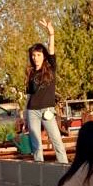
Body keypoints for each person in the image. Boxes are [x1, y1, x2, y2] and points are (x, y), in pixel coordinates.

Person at [25, 19, 68, 164]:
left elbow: (51, 50)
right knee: (36, 145)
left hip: (47, 111)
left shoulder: (50, 68)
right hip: (32, 111)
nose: (35, 58)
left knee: (57, 142)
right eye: (33, 55)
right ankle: (39, 170)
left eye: (38, 55)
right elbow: (29, 95)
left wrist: (51, 33)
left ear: (43, 56)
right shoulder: (30, 73)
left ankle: (64, 166)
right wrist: (24, 114)